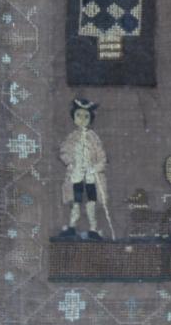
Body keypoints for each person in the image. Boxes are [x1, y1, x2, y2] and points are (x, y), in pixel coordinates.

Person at [59, 98, 108, 240]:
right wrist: (71, 164)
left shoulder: (94, 138)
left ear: (90, 119)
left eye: (86, 116)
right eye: (78, 115)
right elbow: (64, 152)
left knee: (91, 202)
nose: (82, 119)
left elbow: (102, 157)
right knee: (76, 201)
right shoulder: (72, 138)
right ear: (74, 117)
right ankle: (72, 226)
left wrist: (95, 168)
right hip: (77, 175)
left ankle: (93, 228)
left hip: (91, 177)